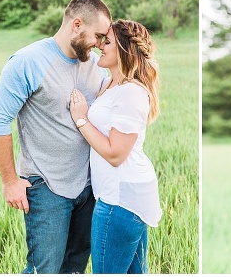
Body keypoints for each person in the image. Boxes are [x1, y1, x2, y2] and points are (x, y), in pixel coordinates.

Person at [0, 0, 111, 273]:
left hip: (91, 187)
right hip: (47, 188)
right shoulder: (27, 62)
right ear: (77, 25)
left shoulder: (95, 65)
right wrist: (9, 181)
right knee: (44, 269)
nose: (101, 44)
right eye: (99, 35)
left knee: (75, 267)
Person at [69, 19, 162, 274]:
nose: (100, 45)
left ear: (124, 50)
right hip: (120, 194)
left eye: (107, 42)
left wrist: (81, 119)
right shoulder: (111, 84)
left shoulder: (131, 93)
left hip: (121, 200)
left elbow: (115, 154)